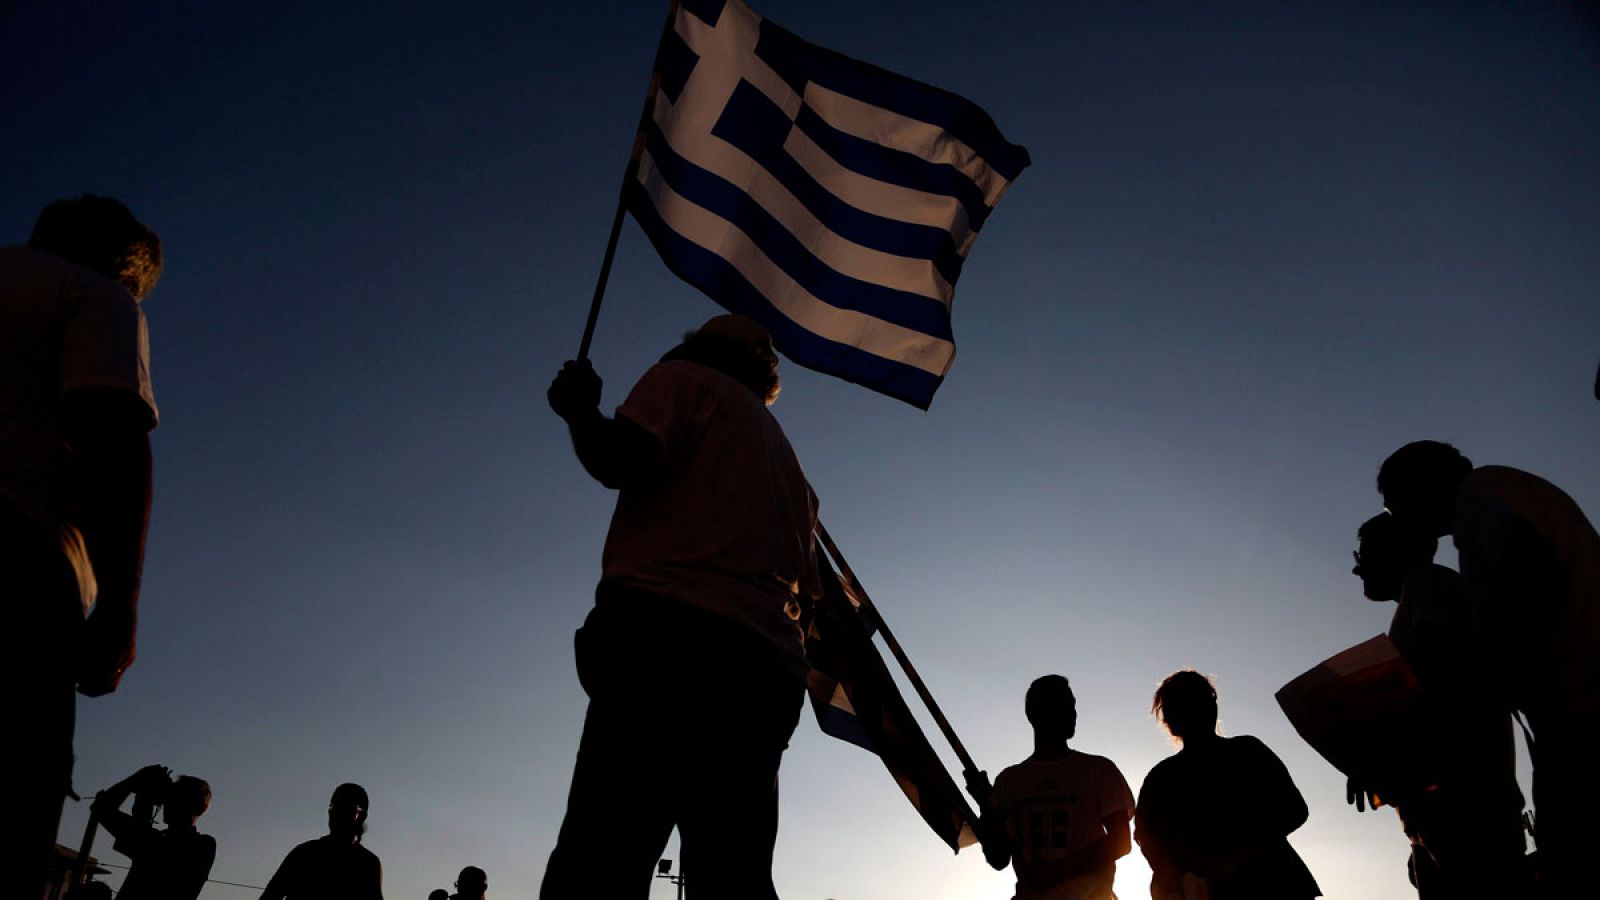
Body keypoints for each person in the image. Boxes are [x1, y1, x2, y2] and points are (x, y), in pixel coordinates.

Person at [542, 315, 820, 900]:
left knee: (599, 865)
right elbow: (808, 599)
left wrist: (579, 411)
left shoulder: (683, 381)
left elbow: (620, 459)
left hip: (664, 651)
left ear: (700, 346)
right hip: (763, 676)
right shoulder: (791, 465)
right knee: (731, 876)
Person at [1, 196, 161, 900]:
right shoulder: (92, 293)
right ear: (123, 260)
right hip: (17, 561)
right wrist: (121, 608)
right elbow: (114, 442)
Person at [1378, 440, 1599, 898]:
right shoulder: (1487, 503)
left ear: (1425, 489)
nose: (1396, 520)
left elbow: (1527, 563)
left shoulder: (1482, 492)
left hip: (1582, 710)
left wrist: (1486, 660)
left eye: (1395, 505)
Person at [1349, 512, 1527, 897]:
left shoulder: (1428, 586)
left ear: (1395, 553)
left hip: (1467, 808)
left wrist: (1371, 748)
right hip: (1445, 811)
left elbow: (1442, 676)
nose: (1357, 570)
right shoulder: (1422, 597)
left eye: (1363, 558)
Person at [1134, 671, 1319, 900]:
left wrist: (1232, 857)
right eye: (1189, 701)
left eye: (1203, 699)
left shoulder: (1248, 752)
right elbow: (1145, 835)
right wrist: (1172, 876)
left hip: (1273, 884)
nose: (1201, 708)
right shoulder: (1160, 779)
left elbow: (1295, 809)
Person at [976, 674, 1135, 900]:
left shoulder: (1099, 770)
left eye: (1072, 706)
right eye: (1064, 706)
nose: (1073, 713)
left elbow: (1121, 842)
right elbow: (998, 859)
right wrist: (988, 811)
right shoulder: (1009, 782)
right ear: (1035, 714)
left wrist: (1056, 872)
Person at [90, 764, 215, 900]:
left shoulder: (202, 845)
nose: (168, 801)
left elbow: (101, 808)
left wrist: (139, 786)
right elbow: (101, 808)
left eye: (176, 796)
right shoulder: (157, 838)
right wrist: (138, 783)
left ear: (195, 807)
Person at [260, 783, 383, 900]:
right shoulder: (303, 854)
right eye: (333, 806)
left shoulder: (368, 864)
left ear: (362, 816)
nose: (335, 813)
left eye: (345, 808)